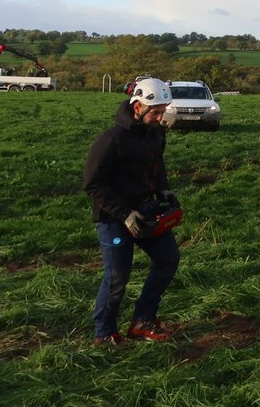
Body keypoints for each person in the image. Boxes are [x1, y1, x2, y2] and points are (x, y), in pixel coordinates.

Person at [83, 77, 181, 346]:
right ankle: (104, 332)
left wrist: (163, 190)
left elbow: (156, 166)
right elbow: (92, 184)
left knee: (168, 259)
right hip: (113, 217)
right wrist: (124, 214)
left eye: (163, 111)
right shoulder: (112, 140)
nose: (161, 117)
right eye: (156, 112)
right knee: (117, 276)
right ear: (138, 107)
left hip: (146, 212)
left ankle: (143, 320)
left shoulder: (156, 134)